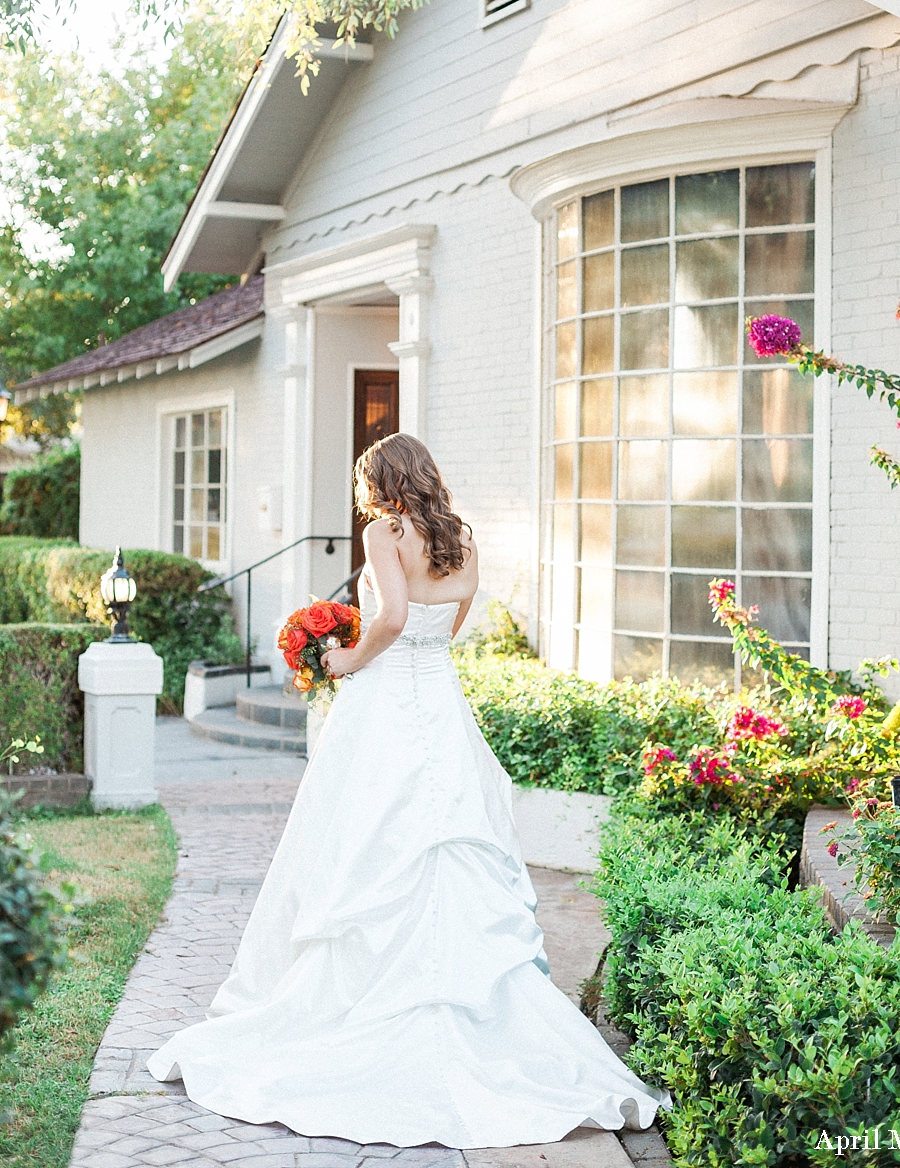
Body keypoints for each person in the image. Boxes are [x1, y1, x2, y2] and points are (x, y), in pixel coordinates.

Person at [148, 433, 662, 1148]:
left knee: (368, 833)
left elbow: (389, 618)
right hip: (438, 697)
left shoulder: (383, 531)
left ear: (382, 480)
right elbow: (444, 626)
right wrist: (392, 643)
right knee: (442, 830)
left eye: (366, 479)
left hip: (386, 699)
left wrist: (345, 657)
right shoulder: (461, 540)